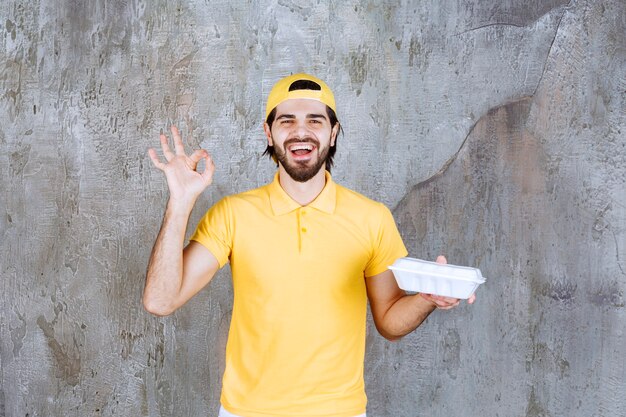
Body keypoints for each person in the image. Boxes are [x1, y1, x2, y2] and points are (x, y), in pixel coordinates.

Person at [144, 73, 475, 417]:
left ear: (332, 133)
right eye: (287, 121)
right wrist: (180, 201)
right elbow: (160, 300)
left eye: (314, 121)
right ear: (268, 133)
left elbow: (389, 322)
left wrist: (426, 299)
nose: (301, 132)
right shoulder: (233, 215)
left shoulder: (372, 218)